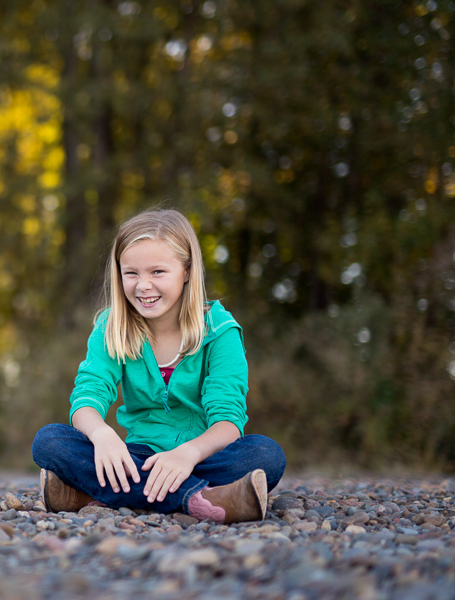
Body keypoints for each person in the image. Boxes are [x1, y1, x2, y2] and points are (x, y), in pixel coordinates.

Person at [32, 208, 286, 523]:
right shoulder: (112, 326)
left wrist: (188, 454)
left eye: (158, 272)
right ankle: (199, 499)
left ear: (188, 270)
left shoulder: (219, 330)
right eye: (131, 273)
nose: (143, 286)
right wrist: (103, 435)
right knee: (50, 441)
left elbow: (229, 422)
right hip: (138, 457)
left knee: (266, 455)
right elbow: (87, 396)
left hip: (200, 457)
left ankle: (97, 495)